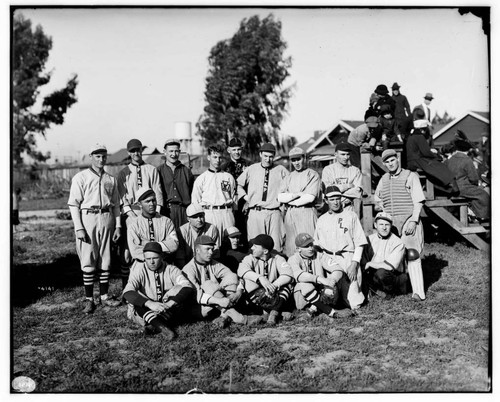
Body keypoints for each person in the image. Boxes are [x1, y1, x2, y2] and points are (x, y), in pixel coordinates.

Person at [68, 143, 122, 314]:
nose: (101, 159)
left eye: (104, 156)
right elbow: (73, 204)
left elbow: (116, 206)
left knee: (105, 257)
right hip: (88, 217)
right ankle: (89, 299)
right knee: (88, 258)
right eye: (97, 156)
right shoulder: (81, 177)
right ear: (91, 156)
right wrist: (79, 228)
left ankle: (104, 296)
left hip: (106, 217)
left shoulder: (110, 179)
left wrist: (118, 226)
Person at [374, 149, 427, 301]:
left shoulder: (410, 176)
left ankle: (418, 292)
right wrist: (383, 209)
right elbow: (377, 197)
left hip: (409, 220)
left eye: (392, 160)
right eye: (387, 162)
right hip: (392, 223)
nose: (390, 164)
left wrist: (413, 220)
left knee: (412, 254)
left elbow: (418, 201)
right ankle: (401, 288)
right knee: (396, 256)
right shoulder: (384, 178)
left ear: (397, 159)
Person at [183, 235, 263, 328]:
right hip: (199, 307)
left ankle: (224, 317)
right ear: (197, 250)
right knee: (208, 284)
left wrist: (238, 292)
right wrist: (219, 301)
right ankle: (240, 318)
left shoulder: (213, 263)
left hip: (218, 303)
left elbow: (234, 276)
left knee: (231, 276)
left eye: (212, 249)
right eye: (207, 249)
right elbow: (196, 296)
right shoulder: (188, 269)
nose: (211, 252)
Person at [123, 241, 195, 338]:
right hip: (144, 311)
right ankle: (162, 327)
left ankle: (153, 326)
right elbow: (127, 293)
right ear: (144, 258)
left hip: (165, 308)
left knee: (179, 291)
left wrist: (171, 303)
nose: (151, 262)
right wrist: (150, 303)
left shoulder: (171, 269)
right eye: (148, 259)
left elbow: (187, 287)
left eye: (155, 258)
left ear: (162, 256)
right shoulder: (138, 270)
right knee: (136, 298)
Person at [117, 139, 163, 287]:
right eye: (132, 151)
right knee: (127, 252)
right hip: (131, 214)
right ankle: (127, 287)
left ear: (141, 150)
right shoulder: (123, 173)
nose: (136, 153)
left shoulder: (151, 169)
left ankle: (147, 286)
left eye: (138, 150)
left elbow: (158, 193)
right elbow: (122, 197)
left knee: (148, 248)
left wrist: (155, 213)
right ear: (129, 152)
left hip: (149, 212)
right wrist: (130, 215)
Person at [313, 186, 367, 310]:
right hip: (329, 260)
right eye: (332, 199)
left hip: (347, 257)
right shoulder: (322, 219)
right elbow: (317, 245)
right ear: (326, 200)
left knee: (354, 304)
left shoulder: (351, 215)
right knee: (330, 299)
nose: (336, 202)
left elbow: (360, 242)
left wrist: (354, 263)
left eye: (338, 199)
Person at [237, 143, 289, 253]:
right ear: (260, 154)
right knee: (255, 246)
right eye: (265, 156)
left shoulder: (281, 170)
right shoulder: (252, 169)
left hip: (274, 213)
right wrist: (246, 197)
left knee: (276, 247)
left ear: (274, 156)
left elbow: (290, 185)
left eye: (270, 156)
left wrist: (283, 199)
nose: (268, 159)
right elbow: (238, 184)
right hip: (256, 213)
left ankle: (274, 269)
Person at [288, 233, 355, 319]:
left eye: (311, 244)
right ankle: (330, 312)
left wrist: (331, 281)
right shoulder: (293, 259)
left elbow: (338, 269)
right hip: (303, 297)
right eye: (306, 246)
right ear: (298, 249)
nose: (311, 248)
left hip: (319, 294)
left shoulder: (319, 255)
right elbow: (299, 275)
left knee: (331, 283)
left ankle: (313, 310)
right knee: (305, 284)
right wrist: (320, 279)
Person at [238, 234, 294, 325]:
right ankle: (276, 312)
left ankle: (271, 314)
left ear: (265, 251)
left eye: (255, 246)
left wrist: (274, 286)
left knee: (288, 284)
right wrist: (260, 278)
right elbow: (241, 271)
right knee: (246, 282)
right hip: (259, 297)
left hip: (274, 294)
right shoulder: (249, 258)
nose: (252, 248)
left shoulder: (277, 258)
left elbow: (288, 274)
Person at [277, 147, 321, 257]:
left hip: (307, 212)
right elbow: (280, 197)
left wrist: (290, 199)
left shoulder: (312, 174)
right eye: (293, 160)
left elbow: (309, 198)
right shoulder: (289, 176)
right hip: (291, 214)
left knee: (309, 244)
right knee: (292, 247)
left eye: (298, 159)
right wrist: (297, 195)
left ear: (304, 158)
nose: (296, 163)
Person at [191, 144, 236, 242]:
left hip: (226, 213)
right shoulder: (201, 178)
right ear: (208, 157)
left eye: (220, 157)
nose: (217, 160)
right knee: (211, 243)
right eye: (214, 157)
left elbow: (233, 198)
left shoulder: (228, 177)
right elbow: (196, 202)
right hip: (209, 213)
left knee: (229, 243)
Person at [126, 188, 179, 267]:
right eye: (147, 201)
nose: (152, 204)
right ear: (140, 204)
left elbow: (174, 244)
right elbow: (135, 250)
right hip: (142, 265)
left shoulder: (166, 221)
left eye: (153, 200)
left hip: (164, 264)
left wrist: (148, 245)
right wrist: (162, 247)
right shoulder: (134, 224)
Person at [362, 212, 410, 299]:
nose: (384, 228)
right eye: (381, 224)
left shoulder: (398, 242)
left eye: (387, 225)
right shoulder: (369, 239)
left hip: (394, 275)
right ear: (375, 225)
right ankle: (373, 290)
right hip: (374, 272)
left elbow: (389, 267)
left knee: (381, 273)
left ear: (391, 226)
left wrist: (369, 264)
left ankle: (391, 292)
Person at [444, 139, 490, 222]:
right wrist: (477, 184)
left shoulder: (449, 160)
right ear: (467, 150)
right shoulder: (467, 160)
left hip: (451, 187)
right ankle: (484, 216)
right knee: (484, 195)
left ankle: (475, 214)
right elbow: (474, 178)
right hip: (463, 188)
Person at [406, 125, 458, 194]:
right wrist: (437, 156)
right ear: (422, 130)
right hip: (417, 161)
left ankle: (446, 187)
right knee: (438, 166)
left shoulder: (411, 137)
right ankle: (450, 186)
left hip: (411, 162)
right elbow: (426, 151)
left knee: (432, 167)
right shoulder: (420, 137)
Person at [157, 138, 195, 228]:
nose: (173, 154)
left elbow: (192, 192)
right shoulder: (158, 171)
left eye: (176, 151)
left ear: (180, 152)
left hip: (183, 212)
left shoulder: (186, 171)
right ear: (164, 152)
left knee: (184, 239)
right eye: (171, 151)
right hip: (165, 212)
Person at [221, 137, 250, 247]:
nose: (237, 152)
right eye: (234, 149)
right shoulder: (224, 167)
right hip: (231, 203)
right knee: (232, 230)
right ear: (229, 150)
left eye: (239, 149)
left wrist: (248, 202)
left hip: (245, 202)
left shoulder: (248, 166)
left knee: (245, 231)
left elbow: (251, 185)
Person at [321, 142, 363, 215]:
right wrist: (347, 186)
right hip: (332, 209)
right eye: (343, 154)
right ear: (336, 154)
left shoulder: (355, 170)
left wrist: (335, 189)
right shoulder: (328, 170)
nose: (346, 157)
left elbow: (357, 192)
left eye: (348, 154)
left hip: (349, 208)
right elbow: (328, 191)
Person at [175, 204, 220, 268]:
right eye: (195, 217)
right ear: (188, 219)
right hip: (188, 266)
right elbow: (180, 257)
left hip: (208, 265)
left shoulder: (212, 229)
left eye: (201, 216)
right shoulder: (182, 231)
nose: (199, 220)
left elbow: (216, 254)